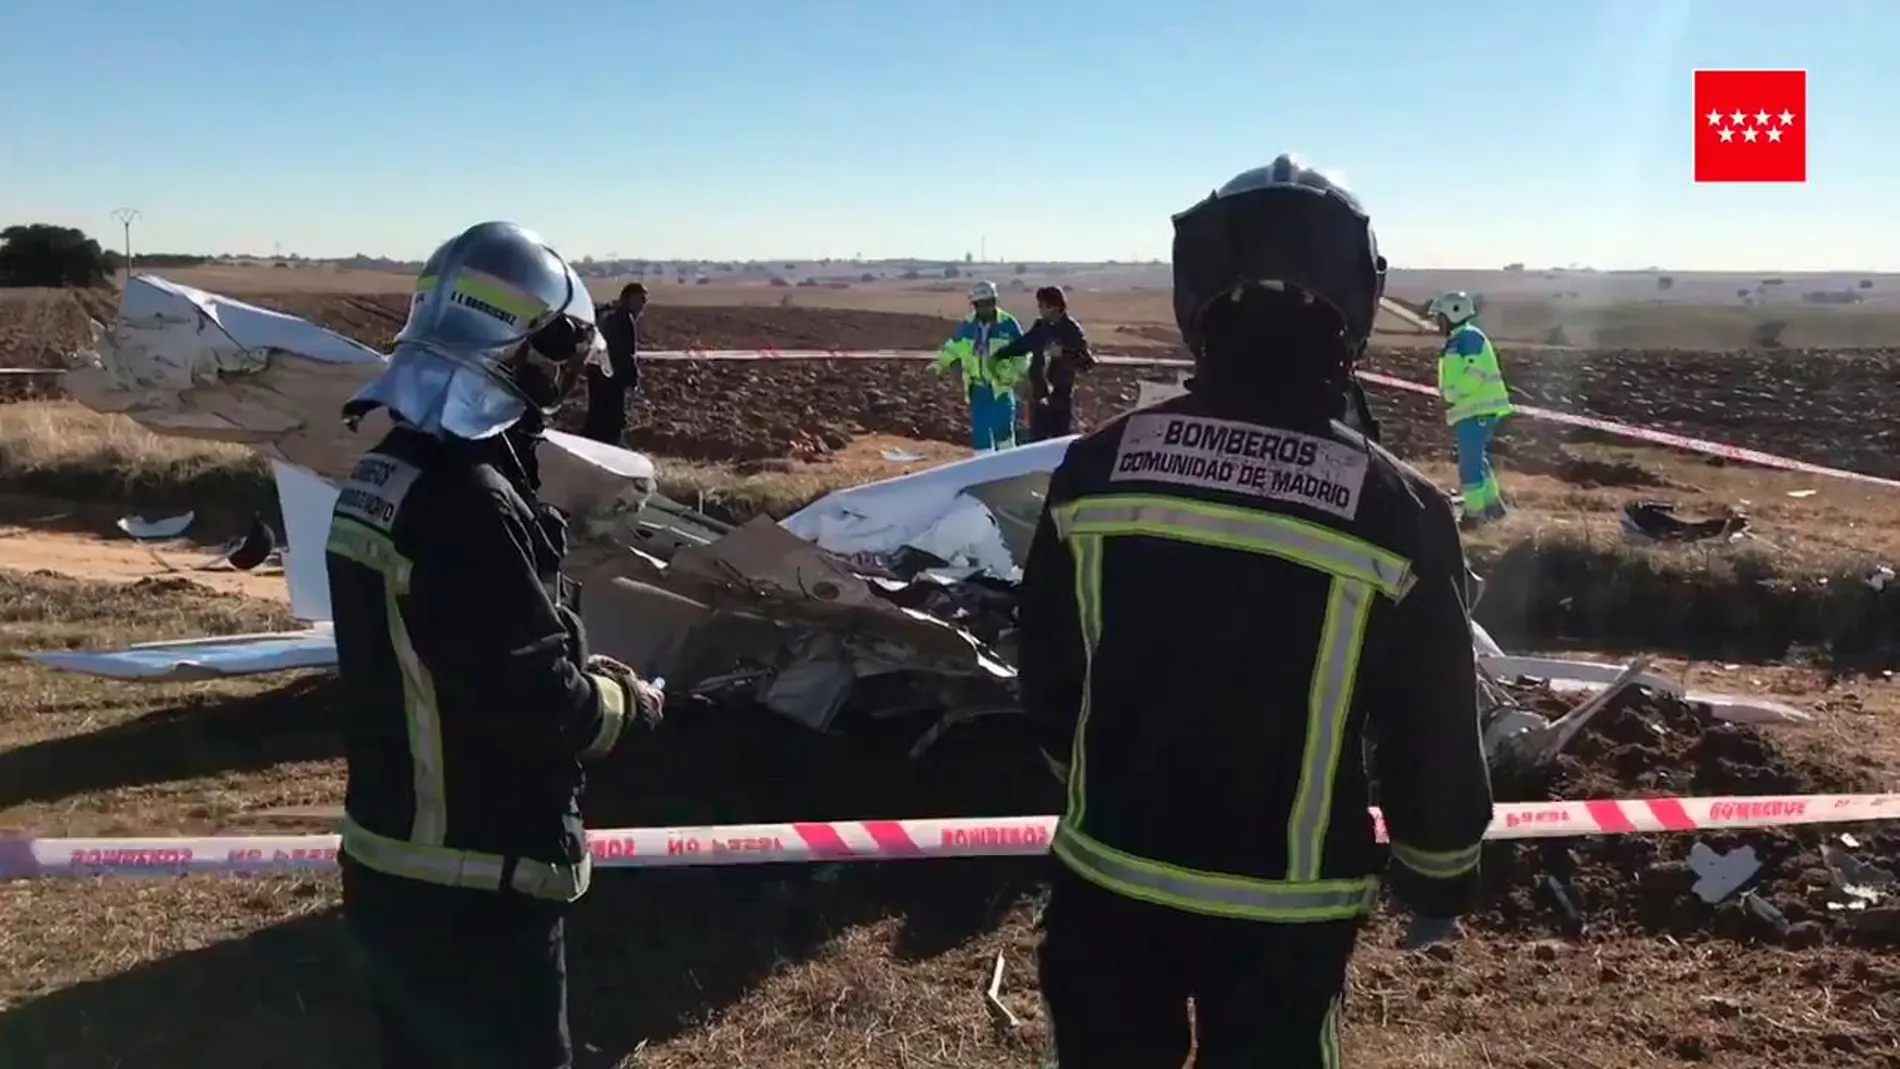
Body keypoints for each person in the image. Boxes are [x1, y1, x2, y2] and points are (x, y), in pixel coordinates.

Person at [1017, 156, 1494, 1068]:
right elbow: (1431, 725)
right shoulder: (1396, 509)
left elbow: (1047, 670)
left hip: (1107, 882)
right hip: (1285, 910)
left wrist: (1089, 776)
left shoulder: (1097, 466)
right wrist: (1442, 874)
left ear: (1194, 291)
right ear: (1355, 298)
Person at [326, 221, 667, 1069]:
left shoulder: (382, 473)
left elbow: (452, 654)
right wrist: (631, 704)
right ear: (519, 347)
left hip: (390, 862)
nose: (557, 381)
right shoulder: (472, 502)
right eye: (555, 356)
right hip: (478, 880)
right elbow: (537, 704)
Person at [1425, 290, 1513, 526]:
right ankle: (1494, 507)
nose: (1437, 322)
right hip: (1472, 410)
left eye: (1440, 317)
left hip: (1477, 410)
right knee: (1478, 460)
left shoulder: (1467, 338)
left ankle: (1475, 516)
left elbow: (1475, 373)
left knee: (1469, 466)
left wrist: (1451, 395)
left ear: (1454, 313)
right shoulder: (1461, 338)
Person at [988, 284, 1096, 442]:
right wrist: (998, 355)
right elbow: (1022, 345)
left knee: (1058, 444)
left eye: (1041, 305)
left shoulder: (1072, 331)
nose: (1039, 309)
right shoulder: (1041, 328)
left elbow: (1086, 364)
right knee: (1037, 442)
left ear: (1053, 307)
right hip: (1038, 397)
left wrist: (1064, 354)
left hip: (1060, 399)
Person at [930, 279, 1028, 451]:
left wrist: (1014, 376)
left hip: (1001, 388)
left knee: (1003, 431)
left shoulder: (1008, 324)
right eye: (980, 304)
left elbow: (1022, 354)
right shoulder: (967, 326)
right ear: (974, 304)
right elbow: (953, 349)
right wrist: (938, 366)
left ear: (994, 301)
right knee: (981, 434)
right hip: (977, 388)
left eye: (988, 303)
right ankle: (984, 469)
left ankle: (1008, 469)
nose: (984, 308)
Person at [579, 281, 647, 445]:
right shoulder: (624, 318)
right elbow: (626, 352)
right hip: (612, 378)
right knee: (612, 422)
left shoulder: (607, 312)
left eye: (644, 302)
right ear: (628, 298)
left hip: (596, 373)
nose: (642, 306)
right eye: (640, 300)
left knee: (596, 418)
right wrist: (633, 378)